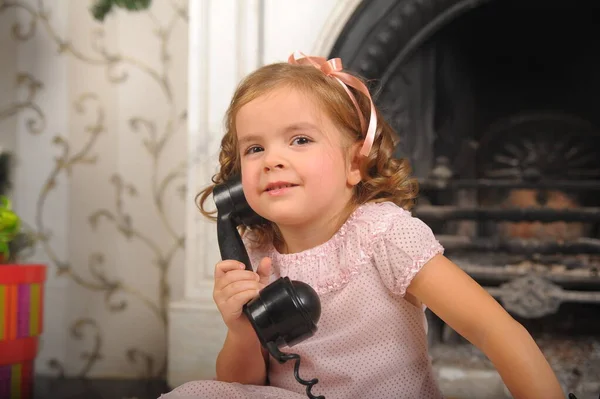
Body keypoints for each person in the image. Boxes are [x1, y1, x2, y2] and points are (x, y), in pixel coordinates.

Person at [160, 52, 564, 399]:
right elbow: (241, 386)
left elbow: (496, 331)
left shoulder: (383, 234)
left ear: (355, 163)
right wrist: (241, 328)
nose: (271, 159)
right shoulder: (255, 252)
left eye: (300, 140)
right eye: (254, 148)